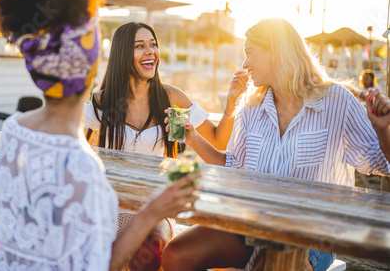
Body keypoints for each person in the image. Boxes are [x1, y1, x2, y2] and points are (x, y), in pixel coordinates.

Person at [0, 0, 200, 271]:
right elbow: (100, 265)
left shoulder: (15, 129)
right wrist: (155, 211)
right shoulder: (82, 168)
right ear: (91, 53)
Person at [162, 18, 390, 271]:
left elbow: (381, 163)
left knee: (270, 266)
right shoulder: (251, 107)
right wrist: (193, 138)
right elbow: (235, 165)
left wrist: (384, 130)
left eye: (249, 54)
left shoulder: (337, 100)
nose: (245, 64)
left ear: (276, 52)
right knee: (176, 254)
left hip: (311, 232)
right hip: (250, 221)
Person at [84, 21, 248, 270]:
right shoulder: (102, 102)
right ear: (122, 54)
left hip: (154, 207)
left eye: (153, 45)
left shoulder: (170, 99)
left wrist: (231, 106)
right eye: (140, 46)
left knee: (148, 254)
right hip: (108, 206)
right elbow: (70, 142)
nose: (150, 51)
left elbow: (217, 140)